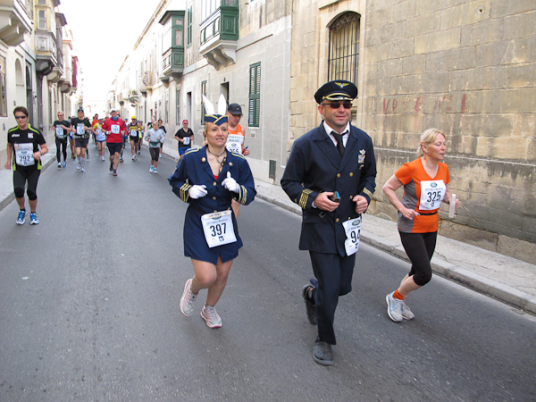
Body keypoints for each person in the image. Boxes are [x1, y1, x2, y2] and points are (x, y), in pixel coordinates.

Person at [281, 80, 377, 366]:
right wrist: (314, 199)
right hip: (320, 226)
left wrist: (365, 196)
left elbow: (369, 176)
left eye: (346, 104)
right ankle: (324, 339)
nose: (342, 109)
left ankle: (313, 294)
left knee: (342, 286)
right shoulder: (306, 144)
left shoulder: (362, 140)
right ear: (321, 109)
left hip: (349, 226)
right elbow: (289, 182)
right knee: (332, 285)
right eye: (335, 104)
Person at [169, 94, 256, 329]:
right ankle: (192, 288)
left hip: (225, 223)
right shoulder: (191, 159)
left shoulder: (238, 162)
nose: (220, 133)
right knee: (207, 276)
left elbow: (250, 192)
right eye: (215, 129)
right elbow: (175, 181)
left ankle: (209, 308)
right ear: (205, 133)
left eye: (224, 129)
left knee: (222, 274)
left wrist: (238, 189)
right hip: (199, 221)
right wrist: (188, 191)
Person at [382, 128, 460, 323]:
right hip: (411, 225)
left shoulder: (444, 169)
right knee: (424, 274)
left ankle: (399, 299)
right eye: (438, 144)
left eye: (444, 144)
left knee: (417, 270)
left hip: (431, 225)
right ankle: (395, 298)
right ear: (425, 147)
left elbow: (443, 192)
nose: (443, 148)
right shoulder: (411, 168)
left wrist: (450, 201)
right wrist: (402, 208)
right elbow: (387, 187)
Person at [4, 106, 48, 225]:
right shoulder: (12, 132)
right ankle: (22, 210)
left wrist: (39, 153)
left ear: (27, 117)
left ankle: (33, 213)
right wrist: (8, 160)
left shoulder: (35, 132)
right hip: (19, 166)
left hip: (33, 167)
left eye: (22, 117)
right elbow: (9, 145)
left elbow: (45, 147)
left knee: (31, 191)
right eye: (17, 117)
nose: (20, 119)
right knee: (18, 190)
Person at [226, 103, 251, 219]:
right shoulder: (222, 127)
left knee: (236, 199)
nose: (237, 118)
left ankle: (233, 225)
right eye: (234, 115)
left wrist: (245, 151)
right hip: (223, 166)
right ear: (228, 114)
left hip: (237, 167)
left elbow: (241, 147)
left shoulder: (242, 129)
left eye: (239, 116)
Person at [102, 109, 127, 176]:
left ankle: (115, 170)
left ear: (116, 113)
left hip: (118, 141)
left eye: (114, 112)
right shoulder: (107, 121)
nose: (114, 113)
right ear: (110, 114)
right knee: (112, 157)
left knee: (117, 155)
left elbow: (124, 128)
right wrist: (107, 132)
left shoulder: (121, 121)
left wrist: (123, 132)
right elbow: (103, 129)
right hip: (110, 141)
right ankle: (111, 163)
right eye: (112, 112)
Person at [70, 108, 92, 172]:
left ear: (83, 113)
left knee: (83, 153)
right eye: (79, 113)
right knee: (78, 152)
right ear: (77, 113)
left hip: (84, 138)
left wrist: (87, 128)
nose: (80, 114)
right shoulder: (75, 120)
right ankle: (79, 162)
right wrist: (72, 129)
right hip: (77, 137)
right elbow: (70, 125)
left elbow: (91, 128)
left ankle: (83, 166)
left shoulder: (86, 120)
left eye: (81, 113)